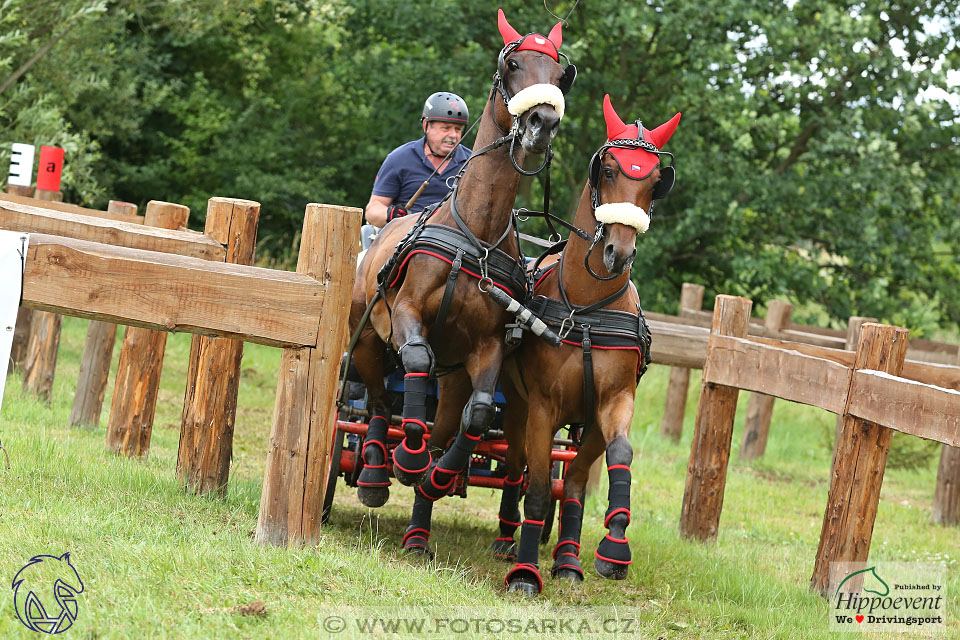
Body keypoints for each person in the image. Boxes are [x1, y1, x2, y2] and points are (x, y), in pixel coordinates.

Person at [364, 92, 472, 228]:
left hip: (453, 240)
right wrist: (390, 214)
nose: (453, 135)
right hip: (404, 239)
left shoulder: (472, 162)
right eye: (446, 128)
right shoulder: (399, 158)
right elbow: (372, 210)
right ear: (426, 125)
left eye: (458, 129)